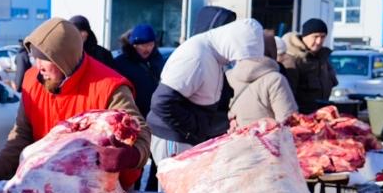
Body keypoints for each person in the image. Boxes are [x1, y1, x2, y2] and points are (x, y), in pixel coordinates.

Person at [0, 18, 149, 191]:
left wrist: (130, 156)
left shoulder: (109, 86)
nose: (38, 66)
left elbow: (141, 133)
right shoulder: (32, 80)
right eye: (35, 58)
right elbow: (21, 135)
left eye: (45, 59)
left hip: (102, 190)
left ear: (66, 60)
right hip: (49, 186)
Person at [147, 18, 264, 164]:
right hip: (174, 136)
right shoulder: (196, 56)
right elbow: (162, 102)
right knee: (176, 185)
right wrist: (195, 129)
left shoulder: (213, 55)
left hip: (188, 136)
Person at [227, 33, 298, 127]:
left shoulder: (229, 76)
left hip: (233, 139)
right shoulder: (275, 80)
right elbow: (289, 122)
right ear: (272, 51)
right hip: (267, 140)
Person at [281, 18, 338, 112]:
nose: (319, 41)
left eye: (323, 37)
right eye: (315, 37)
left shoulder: (323, 58)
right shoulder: (293, 59)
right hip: (302, 117)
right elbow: (288, 95)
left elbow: (333, 83)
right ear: (305, 36)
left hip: (322, 114)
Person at [112, 24, 164, 117]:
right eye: (143, 45)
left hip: (156, 115)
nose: (147, 48)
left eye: (150, 45)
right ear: (133, 45)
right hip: (131, 115)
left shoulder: (158, 60)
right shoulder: (121, 63)